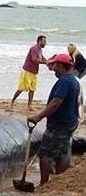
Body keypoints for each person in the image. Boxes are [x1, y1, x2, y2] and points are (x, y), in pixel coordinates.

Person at [28, 54, 80, 185]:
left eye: (56, 65)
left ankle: (44, 183)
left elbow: (56, 102)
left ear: (62, 66)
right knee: (63, 150)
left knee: (45, 153)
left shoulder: (64, 81)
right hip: (70, 122)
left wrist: (38, 117)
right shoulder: (73, 80)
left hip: (59, 125)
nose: (54, 68)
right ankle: (59, 181)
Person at [10, 35, 47, 110]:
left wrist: (48, 62)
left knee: (32, 89)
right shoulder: (34, 48)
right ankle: (12, 102)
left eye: (45, 41)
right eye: (44, 41)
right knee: (21, 88)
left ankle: (29, 105)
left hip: (34, 72)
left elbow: (42, 58)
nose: (45, 43)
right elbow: (34, 60)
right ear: (39, 41)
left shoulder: (40, 49)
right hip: (27, 71)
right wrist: (45, 63)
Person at [68, 44, 86, 123]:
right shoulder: (72, 54)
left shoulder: (77, 55)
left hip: (83, 69)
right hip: (79, 68)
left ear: (73, 49)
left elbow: (77, 66)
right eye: (68, 48)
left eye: (69, 48)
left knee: (74, 79)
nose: (68, 49)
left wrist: (77, 73)